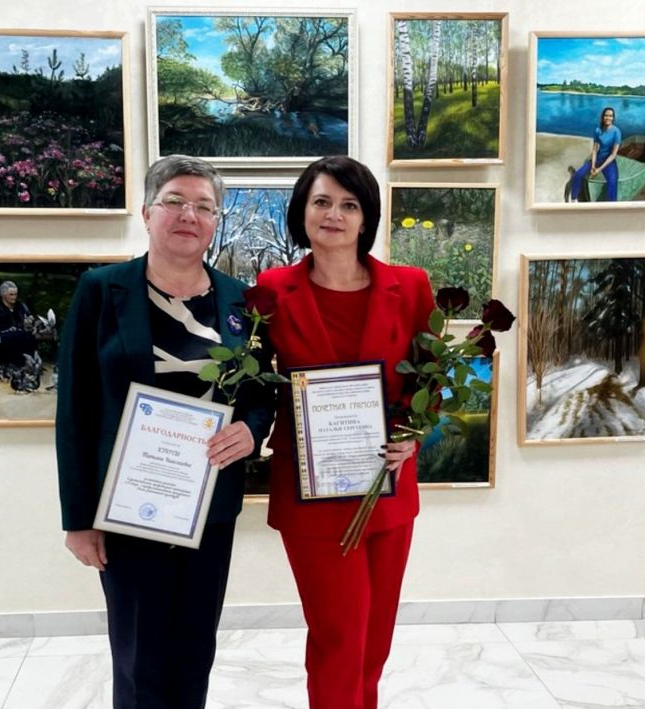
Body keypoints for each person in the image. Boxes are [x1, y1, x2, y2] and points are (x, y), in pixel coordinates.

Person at [55, 155, 276, 709]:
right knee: (138, 656)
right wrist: (78, 519)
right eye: (174, 201)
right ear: (147, 213)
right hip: (127, 508)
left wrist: (252, 431)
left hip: (209, 505)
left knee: (194, 651)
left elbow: (260, 394)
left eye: (204, 206)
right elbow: (75, 409)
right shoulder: (102, 290)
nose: (188, 215)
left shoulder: (240, 301)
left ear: (215, 221)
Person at [255, 156, 435, 709]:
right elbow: (258, 382)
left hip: (387, 487)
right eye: (322, 202)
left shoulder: (411, 287)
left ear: (366, 218)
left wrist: (415, 433)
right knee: (339, 637)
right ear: (302, 212)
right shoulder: (271, 290)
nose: (334, 214)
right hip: (311, 494)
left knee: (374, 640)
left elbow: (430, 380)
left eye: (349, 204)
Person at [569, 106, 622, 202]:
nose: (608, 118)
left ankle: (611, 206)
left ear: (613, 118)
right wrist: (593, 165)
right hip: (598, 158)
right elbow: (594, 150)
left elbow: (613, 154)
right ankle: (573, 199)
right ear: (602, 117)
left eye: (610, 116)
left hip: (609, 161)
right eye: (606, 115)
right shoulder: (598, 130)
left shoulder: (616, 132)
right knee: (577, 175)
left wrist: (599, 169)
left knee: (612, 181)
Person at [0, 280, 36, 366]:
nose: (14, 297)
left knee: (29, 336)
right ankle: (17, 363)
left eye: (15, 294)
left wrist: (29, 320)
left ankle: (29, 363)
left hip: (19, 332)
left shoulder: (20, 305)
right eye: (11, 294)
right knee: (16, 337)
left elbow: (29, 316)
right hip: (2, 333)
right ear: (3, 295)